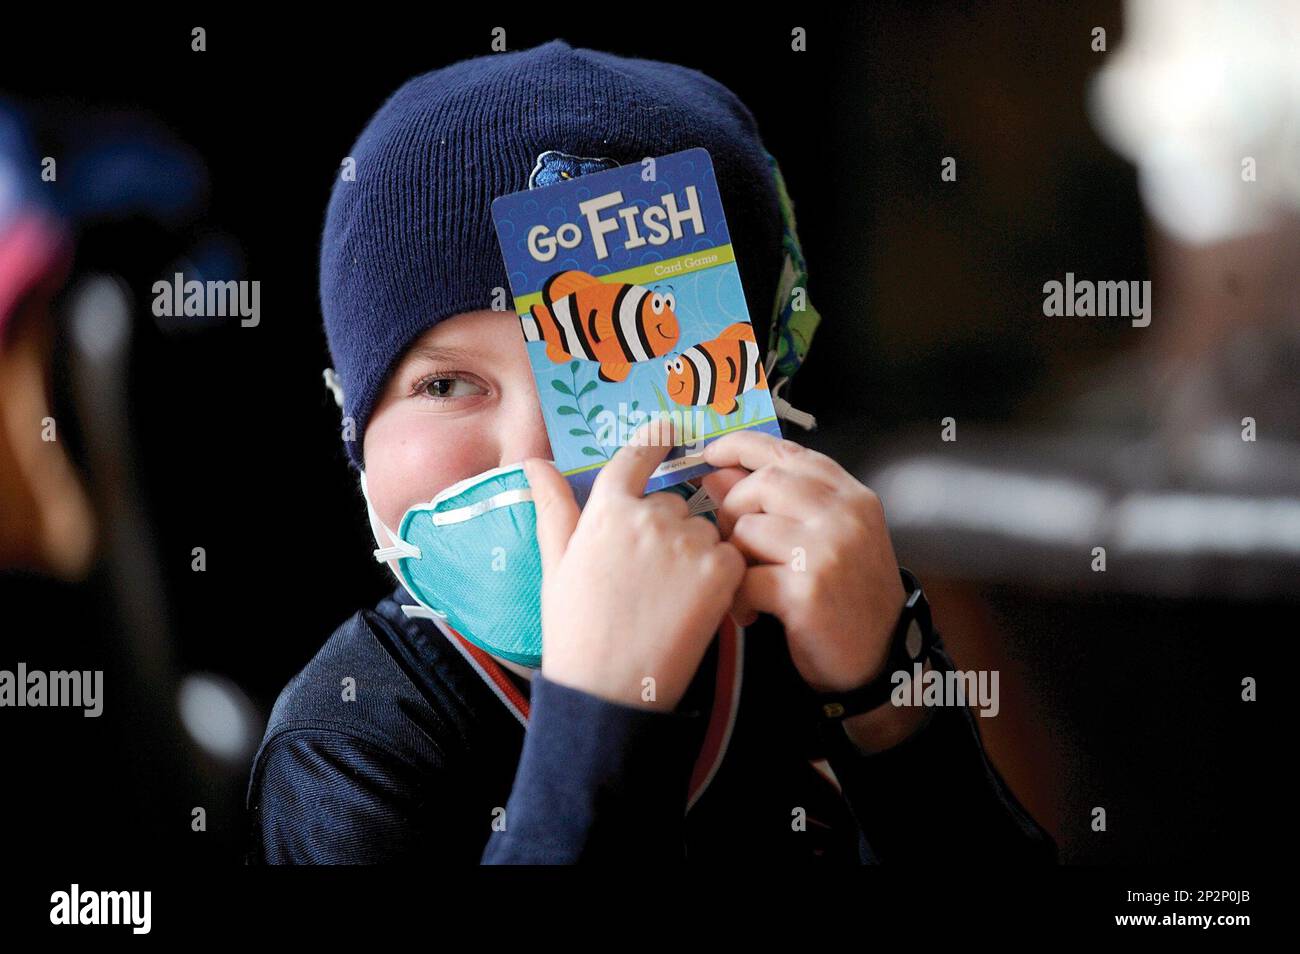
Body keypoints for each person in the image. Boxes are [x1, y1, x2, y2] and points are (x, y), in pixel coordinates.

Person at [246, 39, 1056, 864]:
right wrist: (598, 710)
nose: (538, 459)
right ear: (353, 418)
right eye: (448, 386)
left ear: (760, 385)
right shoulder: (349, 740)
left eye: (613, 371)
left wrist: (889, 692)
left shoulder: (806, 636)